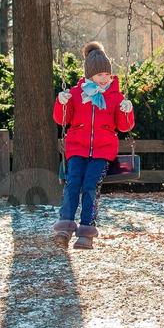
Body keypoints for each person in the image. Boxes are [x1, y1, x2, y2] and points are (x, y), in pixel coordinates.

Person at [51, 41, 135, 249]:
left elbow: (124, 127)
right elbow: (62, 120)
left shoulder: (115, 97)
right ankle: (65, 227)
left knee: (90, 186)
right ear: (89, 76)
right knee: (72, 184)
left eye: (107, 74)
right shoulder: (76, 95)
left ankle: (86, 231)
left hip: (103, 151)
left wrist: (127, 111)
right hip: (77, 148)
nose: (104, 79)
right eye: (100, 76)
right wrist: (61, 102)